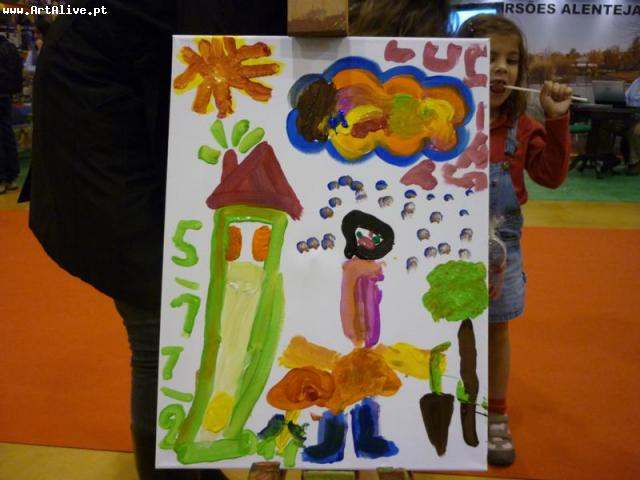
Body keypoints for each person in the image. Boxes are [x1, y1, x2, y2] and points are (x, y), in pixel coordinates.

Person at [27, 1, 287, 478]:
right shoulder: (109, 27)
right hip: (111, 154)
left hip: (130, 128)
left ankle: (184, 462)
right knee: (158, 333)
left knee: (166, 334)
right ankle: (171, 467)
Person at [457, 15, 572, 466]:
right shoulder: (446, 120)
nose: (501, 68)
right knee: (444, 324)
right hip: (445, 243)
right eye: (489, 57)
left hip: (500, 249)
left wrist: (556, 121)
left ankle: (496, 416)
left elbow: (551, 177)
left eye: (511, 60)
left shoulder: (523, 129)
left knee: (496, 329)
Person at [0, 27, 22, 195]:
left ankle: (1, 179)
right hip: (6, 96)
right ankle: (12, 177)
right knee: (7, 134)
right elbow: (17, 72)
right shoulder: (11, 47)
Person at [624, 76, 640, 176]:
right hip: (631, 116)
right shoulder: (637, 81)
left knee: (635, 131)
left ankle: (636, 162)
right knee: (607, 124)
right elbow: (626, 97)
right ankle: (605, 159)